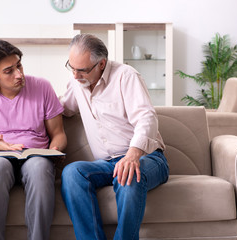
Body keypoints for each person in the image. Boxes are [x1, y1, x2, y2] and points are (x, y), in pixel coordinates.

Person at [60, 34, 169, 240]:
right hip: (107, 163)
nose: (75, 75)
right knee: (72, 173)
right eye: (71, 67)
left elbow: (146, 118)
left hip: (147, 158)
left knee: (128, 175)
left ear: (101, 64)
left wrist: (133, 154)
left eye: (81, 70)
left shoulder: (126, 76)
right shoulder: (77, 82)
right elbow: (62, 109)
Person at [0, 40, 67, 240]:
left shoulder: (42, 87)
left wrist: (55, 149)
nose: (19, 74)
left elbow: (59, 134)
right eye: (9, 71)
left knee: (38, 167)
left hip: (35, 156)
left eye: (19, 65)